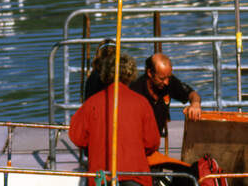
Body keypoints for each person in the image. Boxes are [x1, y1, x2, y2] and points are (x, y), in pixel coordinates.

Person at [69, 50, 160, 186]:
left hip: (102, 178)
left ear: (105, 73)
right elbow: (152, 142)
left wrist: (95, 145)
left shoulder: (92, 103)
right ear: (130, 74)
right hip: (135, 175)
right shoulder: (141, 103)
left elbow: (77, 136)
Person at [131, 53, 203, 138]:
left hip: (155, 140)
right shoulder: (135, 90)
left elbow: (193, 94)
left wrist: (195, 104)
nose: (166, 82)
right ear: (150, 73)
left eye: (168, 77)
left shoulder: (170, 83)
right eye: (161, 78)